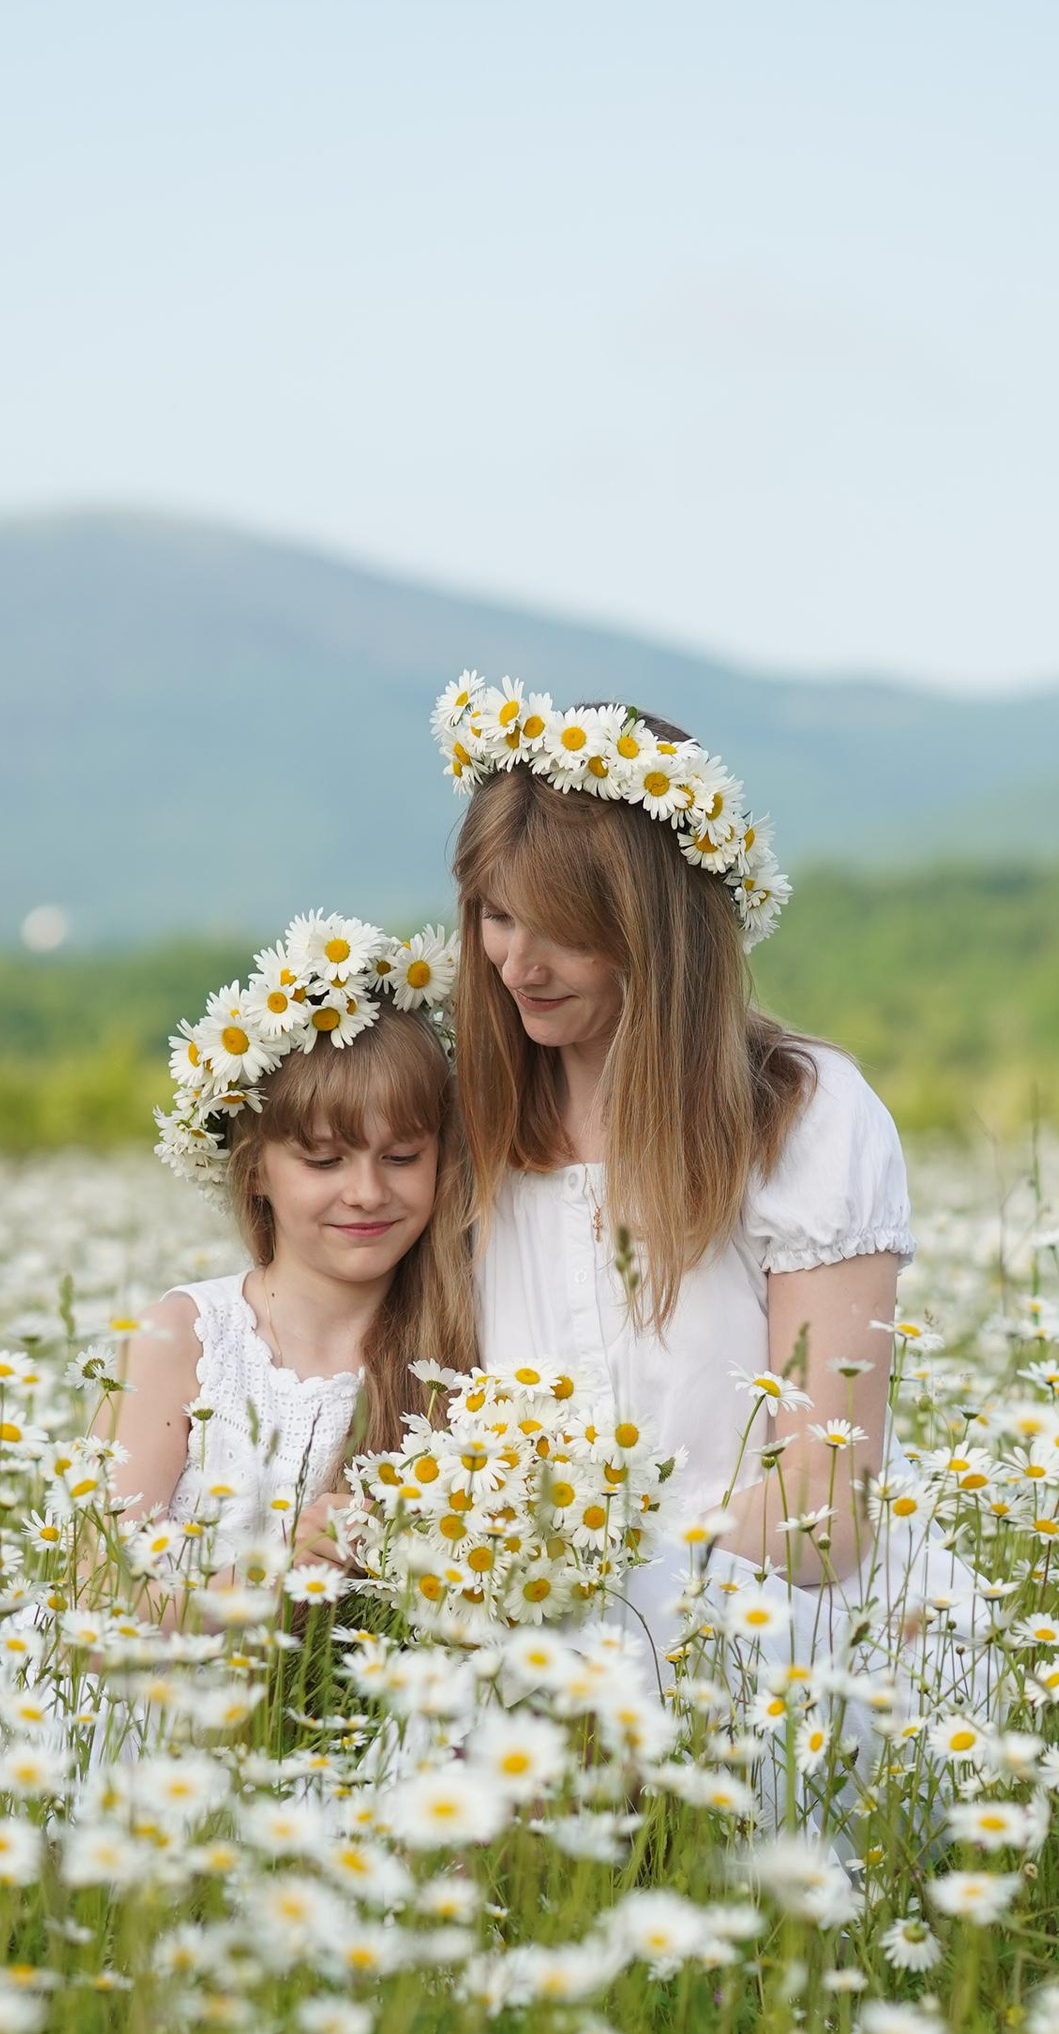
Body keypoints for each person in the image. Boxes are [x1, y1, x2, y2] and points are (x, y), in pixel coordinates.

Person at [434, 676, 985, 1720]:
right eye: (495, 916)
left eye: (561, 926)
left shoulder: (800, 1113)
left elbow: (825, 1504)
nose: (516, 962)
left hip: (776, 1621)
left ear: (657, 924)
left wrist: (631, 1614)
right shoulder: (472, 1126)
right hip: (526, 1625)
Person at [104, 913, 476, 1579]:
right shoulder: (184, 1340)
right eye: (325, 1161)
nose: (366, 1192)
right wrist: (278, 1573)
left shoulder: (458, 1351)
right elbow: (92, 1610)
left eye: (400, 1156)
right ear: (256, 1171)